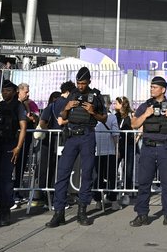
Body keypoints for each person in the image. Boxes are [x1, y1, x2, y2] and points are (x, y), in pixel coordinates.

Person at [46, 68, 107, 228]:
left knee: (87, 174)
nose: (80, 86)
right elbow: (63, 116)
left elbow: (104, 118)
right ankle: (59, 212)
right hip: (71, 136)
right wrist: (66, 108)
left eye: (83, 83)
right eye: (78, 83)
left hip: (87, 135)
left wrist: (93, 112)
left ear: (89, 82)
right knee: (62, 173)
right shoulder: (71, 94)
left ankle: (82, 211)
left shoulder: (96, 96)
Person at [129, 76, 167, 228]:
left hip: (166, 148)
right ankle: (142, 215)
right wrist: (145, 115)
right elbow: (134, 124)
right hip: (148, 148)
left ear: (163, 89)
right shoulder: (145, 106)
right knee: (144, 183)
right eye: (151, 87)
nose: (151, 89)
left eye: (154, 87)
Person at [0, 80, 27, 226]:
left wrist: (18, 147)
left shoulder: (18, 106)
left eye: (8, 90)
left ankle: (6, 211)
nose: (5, 93)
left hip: (9, 145)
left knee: (6, 178)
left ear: (14, 92)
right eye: (3, 90)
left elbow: (23, 127)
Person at [14, 83, 39, 204]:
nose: (28, 94)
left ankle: (18, 191)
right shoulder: (16, 104)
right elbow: (22, 118)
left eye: (28, 92)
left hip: (25, 140)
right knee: (14, 166)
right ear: (19, 92)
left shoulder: (25, 104)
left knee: (21, 166)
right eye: (26, 92)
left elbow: (30, 117)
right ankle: (13, 192)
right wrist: (29, 118)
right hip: (17, 140)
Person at [114, 96, 135, 205]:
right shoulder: (115, 116)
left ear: (123, 104)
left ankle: (127, 192)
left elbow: (135, 126)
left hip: (129, 144)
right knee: (114, 167)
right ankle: (112, 192)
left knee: (128, 168)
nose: (114, 105)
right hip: (118, 144)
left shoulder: (129, 116)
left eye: (117, 103)